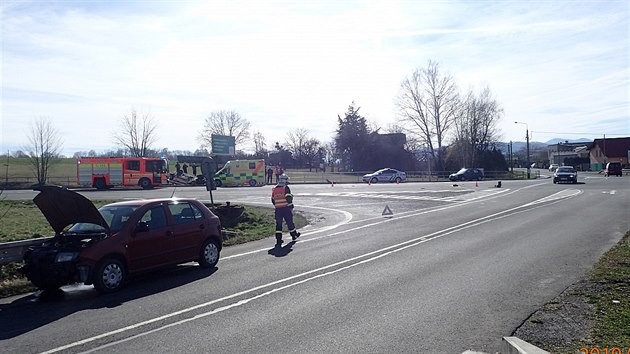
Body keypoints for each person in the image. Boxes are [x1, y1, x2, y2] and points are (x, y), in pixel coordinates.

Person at [271, 173, 300, 246]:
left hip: (278, 210)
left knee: (278, 225)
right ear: (284, 180)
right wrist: (291, 207)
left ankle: (278, 239)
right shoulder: (285, 188)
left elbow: (273, 199)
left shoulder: (275, 189)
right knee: (290, 222)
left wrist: (277, 205)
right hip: (285, 208)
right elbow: (288, 198)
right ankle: (294, 235)